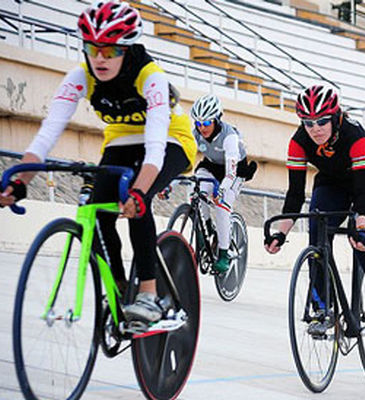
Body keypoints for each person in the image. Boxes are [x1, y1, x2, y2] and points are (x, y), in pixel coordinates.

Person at [0, 1, 197, 325]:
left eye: (111, 51)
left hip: (169, 141)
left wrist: (137, 193)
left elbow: (155, 150)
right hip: (120, 141)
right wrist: (20, 181)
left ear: (127, 48)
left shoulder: (151, 77)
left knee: (138, 201)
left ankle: (148, 294)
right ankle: (120, 290)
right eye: (93, 48)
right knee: (99, 212)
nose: (100, 58)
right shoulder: (80, 75)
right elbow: (46, 136)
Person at [264, 84, 365, 335]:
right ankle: (322, 307)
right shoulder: (299, 142)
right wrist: (280, 233)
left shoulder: (354, 134)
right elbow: (294, 195)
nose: (315, 129)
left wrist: (361, 223)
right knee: (317, 231)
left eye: (322, 121)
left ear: (336, 117)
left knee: (359, 238)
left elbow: (362, 192)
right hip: (332, 180)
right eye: (308, 122)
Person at [183, 94, 256, 272]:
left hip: (234, 170)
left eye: (207, 123)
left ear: (216, 119)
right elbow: (183, 159)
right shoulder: (195, 134)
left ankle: (224, 253)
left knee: (222, 207)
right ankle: (206, 226)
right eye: (198, 123)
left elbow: (230, 174)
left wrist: (221, 192)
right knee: (197, 188)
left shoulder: (229, 137)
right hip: (212, 166)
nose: (202, 128)